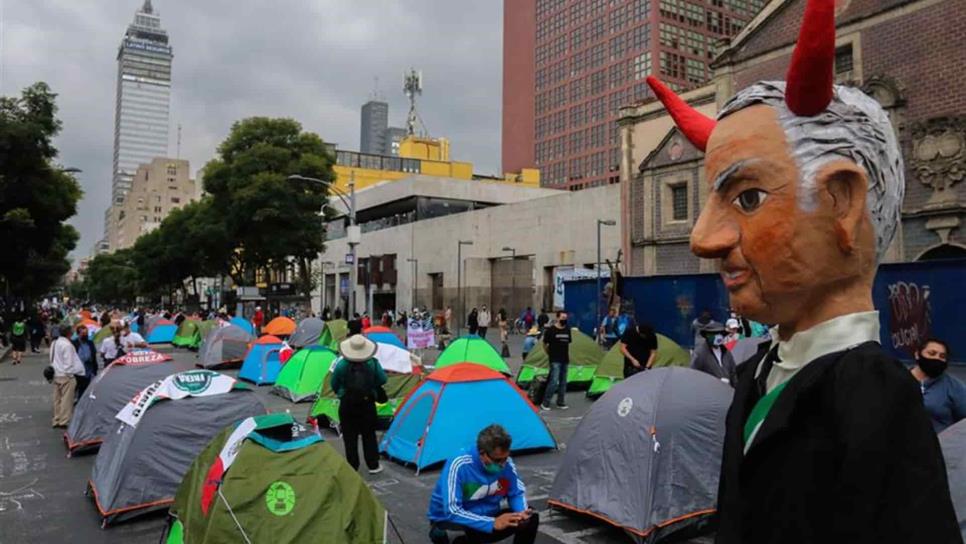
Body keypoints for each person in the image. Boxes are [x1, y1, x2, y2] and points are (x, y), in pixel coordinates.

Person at [647, 1, 959, 539]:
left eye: (747, 199)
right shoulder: (755, 372)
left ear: (842, 204)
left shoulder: (875, 397)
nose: (702, 239)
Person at [428, 424, 539, 544]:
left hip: (486, 516)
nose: (502, 465)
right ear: (482, 453)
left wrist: (521, 513)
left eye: (505, 458)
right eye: (497, 460)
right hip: (455, 519)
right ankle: (445, 534)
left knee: (530, 518)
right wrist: (491, 523)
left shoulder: (507, 465)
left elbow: (516, 493)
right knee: (465, 536)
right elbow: (452, 511)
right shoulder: (459, 464)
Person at [330, 334, 387, 473]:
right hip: (367, 403)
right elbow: (383, 379)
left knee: (350, 436)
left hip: (347, 404)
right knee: (369, 435)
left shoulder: (341, 364)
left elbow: (334, 384)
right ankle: (373, 465)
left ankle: (352, 466)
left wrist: (342, 393)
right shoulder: (372, 363)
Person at [912, 338, 966, 433]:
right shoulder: (900, 380)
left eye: (942, 356)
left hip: (941, 444)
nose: (937, 358)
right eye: (932, 353)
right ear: (917, 354)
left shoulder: (953, 386)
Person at [50, 324, 84, 428]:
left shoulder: (54, 343)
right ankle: (64, 420)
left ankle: (57, 418)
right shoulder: (67, 345)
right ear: (70, 333)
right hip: (66, 375)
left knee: (57, 398)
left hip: (56, 373)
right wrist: (70, 374)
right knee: (66, 399)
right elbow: (68, 362)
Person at [540, 311, 571, 411]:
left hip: (565, 359)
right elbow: (544, 344)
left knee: (563, 382)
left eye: (565, 318)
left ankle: (560, 402)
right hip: (555, 359)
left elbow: (568, 342)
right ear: (557, 318)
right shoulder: (551, 330)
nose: (564, 320)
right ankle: (546, 402)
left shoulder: (567, 329)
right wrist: (549, 354)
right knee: (553, 381)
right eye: (562, 318)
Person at [689, 321, 736, 386]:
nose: (718, 336)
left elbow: (733, 373)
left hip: (727, 391)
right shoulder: (700, 353)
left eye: (720, 334)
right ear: (707, 336)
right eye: (714, 334)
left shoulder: (726, 353)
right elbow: (694, 375)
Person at [72, 324, 98, 401]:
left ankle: (82, 402)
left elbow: (94, 355)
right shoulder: (74, 343)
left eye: (86, 333)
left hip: (88, 370)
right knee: (77, 388)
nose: (85, 335)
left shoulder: (90, 343)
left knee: (86, 389)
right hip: (77, 371)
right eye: (83, 333)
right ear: (78, 334)